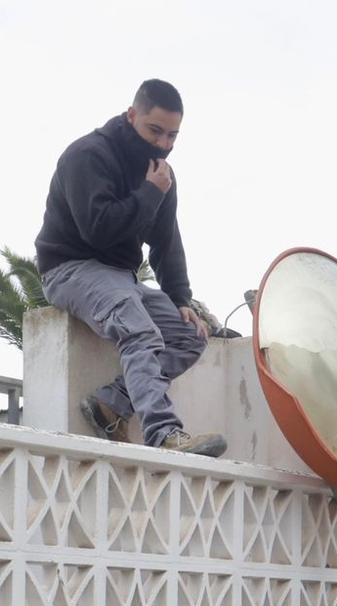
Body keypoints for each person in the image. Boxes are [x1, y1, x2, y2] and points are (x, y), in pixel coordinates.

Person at [36, 79, 226, 458]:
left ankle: (111, 403)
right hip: (71, 269)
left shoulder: (160, 175)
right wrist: (150, 193)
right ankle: (164, 434)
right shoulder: (87, 156)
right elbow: (98, 229)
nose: (163, 144)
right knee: (138, 329)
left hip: (121, 279)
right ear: (131, 115)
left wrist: (179, 297)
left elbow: (167, 240)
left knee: (189, 336)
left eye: (173, 135)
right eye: (154, 131)